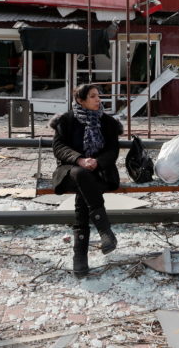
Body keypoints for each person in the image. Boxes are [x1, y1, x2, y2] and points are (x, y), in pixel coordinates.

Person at [50, 84, 122, 277]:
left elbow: (113, 151)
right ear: (80, 100)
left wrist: (97, 162)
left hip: (101, 172)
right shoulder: (66, 120)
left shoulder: (108, 122)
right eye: (92, 96)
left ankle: (80, 255)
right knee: (82, 175)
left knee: (84, 189)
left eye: (98, 95)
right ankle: (104, 230)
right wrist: (79, 159)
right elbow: (59, 148)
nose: (98, 100)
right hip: (70, 171)